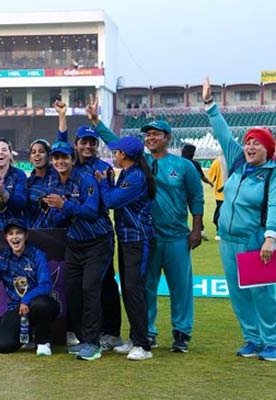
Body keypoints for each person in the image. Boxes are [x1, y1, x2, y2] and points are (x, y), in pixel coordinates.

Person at [90, 95, 204, 352]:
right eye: (148, 135)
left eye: (156, 134)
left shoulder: (183, 166)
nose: (150, 138)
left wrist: (196, 229)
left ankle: (181, 333)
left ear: (168, 137)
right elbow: (117, 145)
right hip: (148, 236)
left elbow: (196, 198)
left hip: (176, 235)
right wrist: (97, 122)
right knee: (145, 286)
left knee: (180, 287)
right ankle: (147, 332)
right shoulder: (142, 163)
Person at [203, 76, 276, 361]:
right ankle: (253, 339)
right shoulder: (237, 162)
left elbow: (274, 206)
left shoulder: (271, 173)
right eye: (247, 142)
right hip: (228, 241)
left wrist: (270, 238)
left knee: (262, 293)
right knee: (239, 293)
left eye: (256, 143)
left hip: (255, 241)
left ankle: (272, 341)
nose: (249, 147)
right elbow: (222, 133)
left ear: (267, 150)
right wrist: (209, 103)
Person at [60, 101, 122, 353]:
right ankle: (88, 335)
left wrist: (66, 206)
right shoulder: (70, 164)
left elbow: (99, 206)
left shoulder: (103, 169)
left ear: (97, 146)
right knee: (82, 288)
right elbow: (60, 146)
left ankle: (110, 333)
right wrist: (62, 117)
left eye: (92, 142)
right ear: (76, 145)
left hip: (99, 235)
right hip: (77, 239)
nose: (87, 146)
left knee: (104, 285)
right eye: (83, 142)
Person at [44, 139, 109, 361]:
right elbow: (54, 218)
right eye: (56, 158)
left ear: (72, 159)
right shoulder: (53, 184)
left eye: (64, 157)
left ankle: (93, 343)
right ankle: (83, 340)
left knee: (90, 290)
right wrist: (63, 209)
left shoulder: (85, 179)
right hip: (74, 244)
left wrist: (66, 206)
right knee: (72, 291)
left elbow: (91, 211)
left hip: (97, 242)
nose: (60, 161)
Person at [94, 136, 156, 361]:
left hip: (138, 240)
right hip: (129, 239)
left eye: (116, 152)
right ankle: (135, 338)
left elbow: (111, 201)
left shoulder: (136, 177)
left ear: (125, 155)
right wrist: (108, 183)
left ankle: (143, 344)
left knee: (134, 290)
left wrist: (102, 182)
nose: (114, 155)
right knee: (129, 290)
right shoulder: (130, 174)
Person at [0, 219, 60, 356]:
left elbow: (45, 285)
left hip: (40, 305)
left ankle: (43, 343)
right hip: (17, 309)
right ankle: (27, 335)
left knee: (40, 305)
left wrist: (26, 300)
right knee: (2, 345)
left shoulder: (37, 255)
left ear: (26, 236)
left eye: (19, 233)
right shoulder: (4, 258)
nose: (15, 237)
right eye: (11, 234)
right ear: (6, 238)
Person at [207, 151, 226, 240]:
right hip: (233, 194)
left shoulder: (217, 162)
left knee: (218, 215)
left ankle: (220, 232)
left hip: (221, 195)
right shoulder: (233, 161)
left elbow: (211, 178)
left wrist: (211, 183)